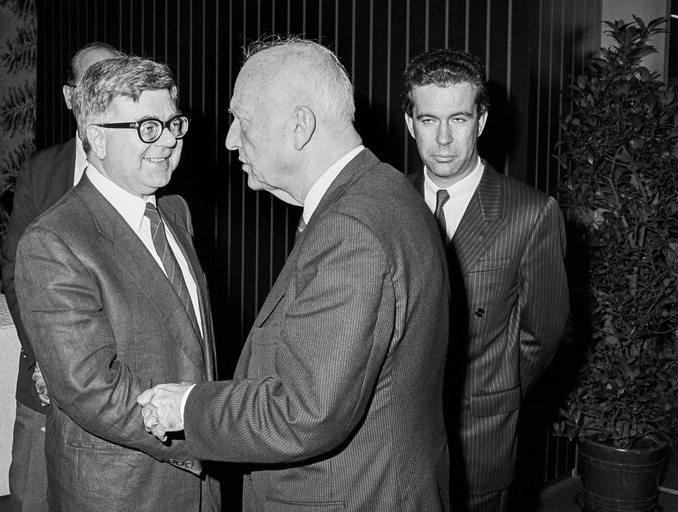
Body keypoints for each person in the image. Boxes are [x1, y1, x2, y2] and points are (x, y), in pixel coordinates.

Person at [138, 37, 451, 511]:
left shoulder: (352, 229)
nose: (229, 140)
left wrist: (186, 406)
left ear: (299, 126)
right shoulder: (381, 191)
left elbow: (307, 414)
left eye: (241, 121)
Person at [14, 55, 219, 511]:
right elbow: (90, 387)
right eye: (148, 126)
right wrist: (207, 433)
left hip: (201, 489)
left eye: (174, 124)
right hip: (121, 490)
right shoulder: (54, 240)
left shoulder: (175, 214)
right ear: (98, 139)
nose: (167, 141)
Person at [401, 48, 570, 512]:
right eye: (429, 119)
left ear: (481, 120)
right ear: (410, 122)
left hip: (479, 439)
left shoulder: (531, 213)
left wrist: (494, 389)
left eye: (458, 119)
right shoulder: (388, 202)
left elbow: (544, 333)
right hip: (395, 443)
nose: (442, 139)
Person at [1, 41, 121, 512]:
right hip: (41, 383)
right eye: (92, 82)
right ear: (70, 97)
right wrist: (43, 359)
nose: (104, 93)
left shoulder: (148, 172)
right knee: (32, 498)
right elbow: (16, 274)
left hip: (117, 389)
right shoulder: (41, 172)